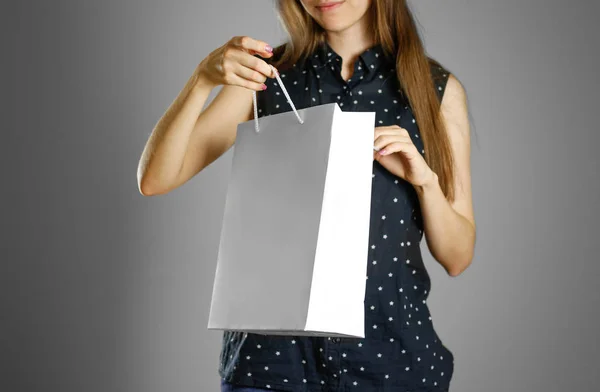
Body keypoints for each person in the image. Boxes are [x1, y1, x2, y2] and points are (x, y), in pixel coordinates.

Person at [137, 0, 476, 391]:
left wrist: (426, 182)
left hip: (391, 365)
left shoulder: (435, 89)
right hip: (269, 368)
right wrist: (202, 80)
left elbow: (458, 257)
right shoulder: (266, 77)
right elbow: (156, 179)